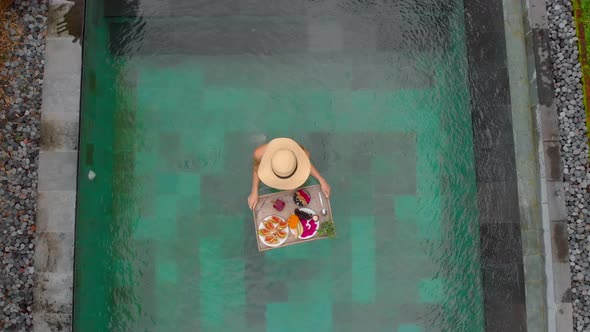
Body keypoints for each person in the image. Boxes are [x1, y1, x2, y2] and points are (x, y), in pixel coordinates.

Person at [248, 138, 331, 210]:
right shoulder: (259, 154)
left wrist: (321, 179)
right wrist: (254, 191)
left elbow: (307, 164)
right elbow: (257, 169)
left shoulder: (303, 153)